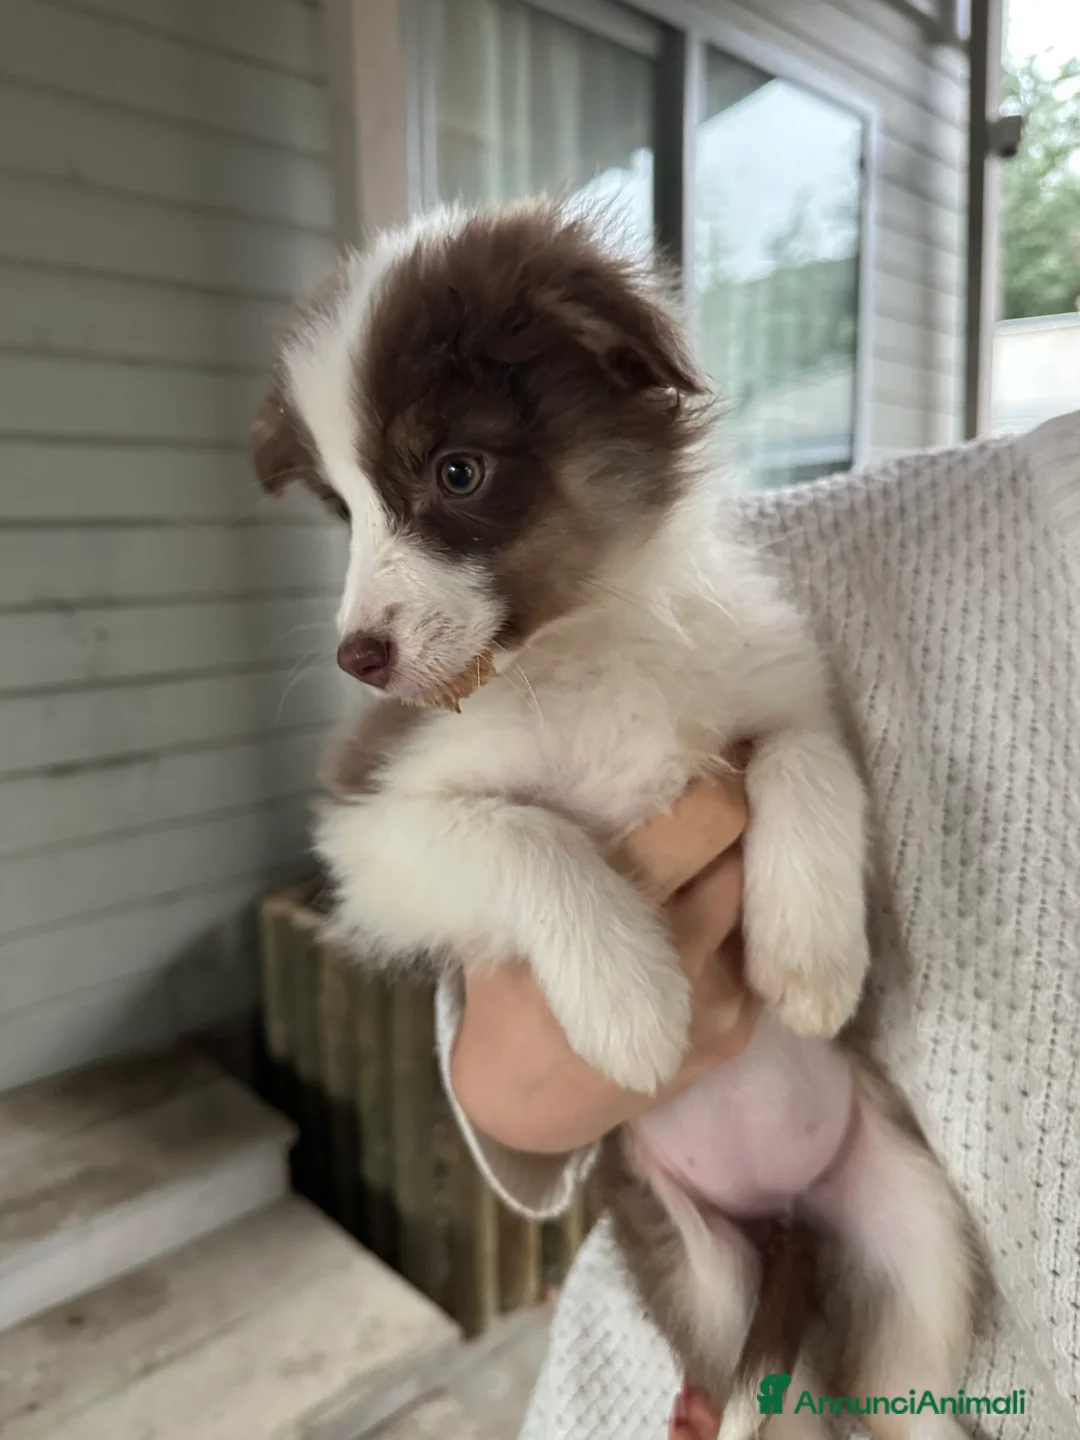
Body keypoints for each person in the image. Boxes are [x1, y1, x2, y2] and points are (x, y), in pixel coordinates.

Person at [435, 413, 1080, 1440]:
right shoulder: (774, 555)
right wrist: (500, 1080)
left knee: (906, 1316)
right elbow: (476, 956)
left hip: (885, 1256)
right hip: (659, 1300)